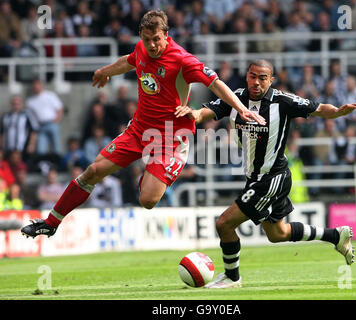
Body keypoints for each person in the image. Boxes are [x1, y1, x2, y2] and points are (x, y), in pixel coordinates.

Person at [21, 9, 264, 238]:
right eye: (147, 39)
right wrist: (105, 71)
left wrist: (241, 109)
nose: (152, 45)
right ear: (141, 36)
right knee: (93, 171)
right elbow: (128, 61)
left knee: (147, 200)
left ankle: (153, 170)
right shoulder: (142, 49)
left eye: (157, 39)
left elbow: (216, 83)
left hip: (170, 138)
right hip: (138, 130)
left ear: (166, 35)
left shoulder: (182, 59)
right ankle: (51, 223)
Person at [175, 59, 356, 288]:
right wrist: (193, 114)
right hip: (256, 177)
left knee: (224, 224)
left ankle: (232, 278)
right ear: (247, 76)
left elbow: (317, 108)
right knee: (278, 233)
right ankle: (336, 236)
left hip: (272, 178)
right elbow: (210, 111)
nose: (257, 82)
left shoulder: (282, 101)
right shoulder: (236, 97)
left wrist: (338, 112)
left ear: (270, 80)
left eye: (263, 78)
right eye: (253, 76)